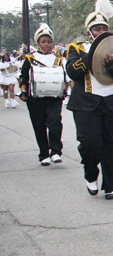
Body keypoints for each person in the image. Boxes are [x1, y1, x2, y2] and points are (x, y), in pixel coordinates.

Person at [66, 0, 113, 199]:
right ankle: (90, 173)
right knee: (90, 144)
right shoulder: (76, 48)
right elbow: (72, 72)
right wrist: (92, 56)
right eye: (97, 29)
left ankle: (111, 183)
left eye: (104, 28)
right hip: (86, 104)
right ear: (89, 32)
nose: (101, 32)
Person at [18, 24, 66, 166]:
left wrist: (64, 90)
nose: (47, 44)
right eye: (43, 41)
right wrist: (23, 91)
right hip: (35, 98)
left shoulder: (58, 59)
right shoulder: (30, 58)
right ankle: (44, 154)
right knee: (39, 126)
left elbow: (64, 77)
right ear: (38, 42)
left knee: (55, 122)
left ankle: (56, 152)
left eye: (49, 41)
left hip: (54, 98)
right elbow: (23, 77)